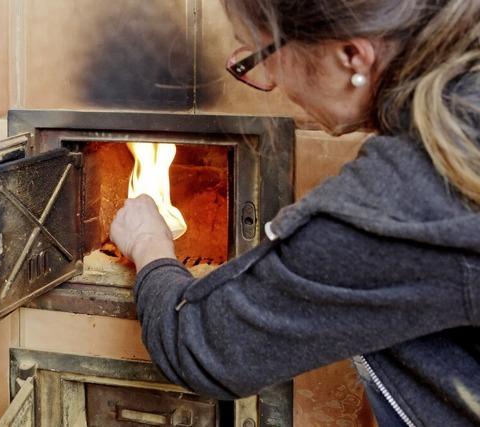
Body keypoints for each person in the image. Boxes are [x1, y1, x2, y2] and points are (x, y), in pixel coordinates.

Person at [109, 0, 480, 425]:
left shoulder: (399, 200)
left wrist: (148, 244)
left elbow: (200, 346)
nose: (270, 84)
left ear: (352, 57)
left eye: (262, 55)